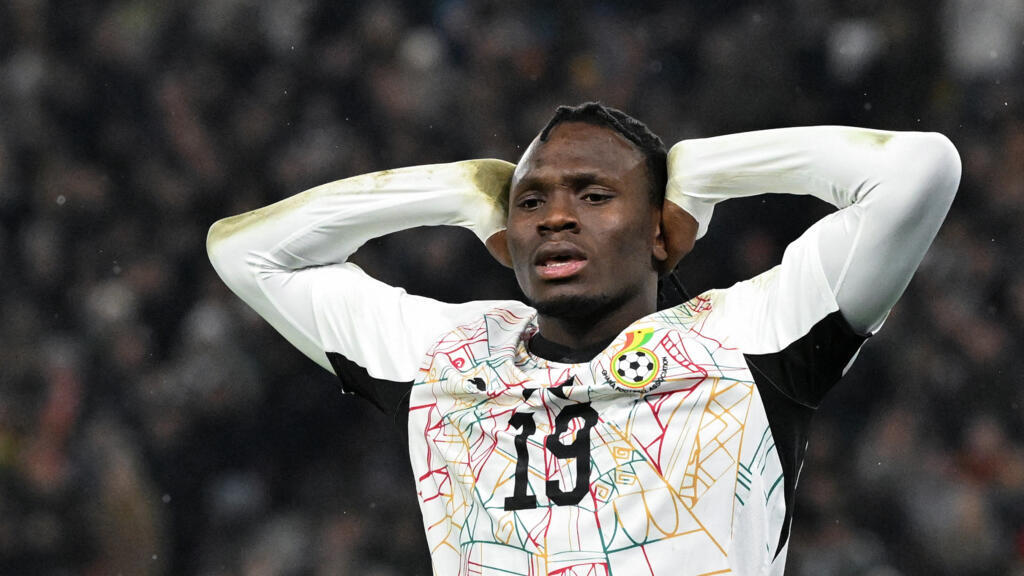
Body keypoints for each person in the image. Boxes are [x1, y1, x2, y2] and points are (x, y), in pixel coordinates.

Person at [207, 102, 960, 575]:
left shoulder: (746, 336)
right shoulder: (447, 352)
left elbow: (920, 171)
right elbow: (245, 252)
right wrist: (461, 192)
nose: (555, 218)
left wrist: (700, 174)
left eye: (595, 196)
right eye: (531, 202)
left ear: (661, 233)